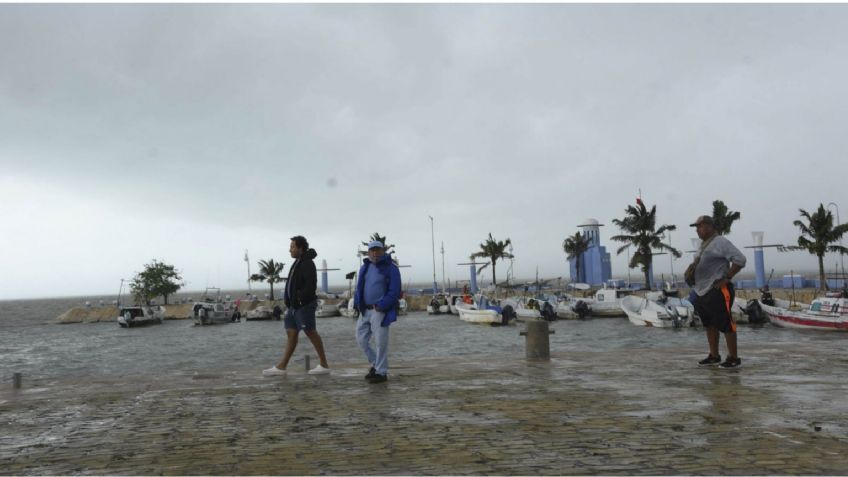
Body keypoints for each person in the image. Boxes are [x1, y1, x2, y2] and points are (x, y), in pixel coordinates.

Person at [263, 235, 331, 376]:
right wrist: (291, 302)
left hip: (303, 306)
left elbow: (310, 285)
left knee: (311, 332)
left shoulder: (307, 263)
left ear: (300, 248)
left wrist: (300, 300)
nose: (290, 250)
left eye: (293, 247)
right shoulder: (298, 262)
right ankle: (282, 366)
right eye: (290, 247)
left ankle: (324, 364)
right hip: (293, 307)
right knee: (291, 333)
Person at [689, 215, 747, 369]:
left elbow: (740, 259)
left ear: (708, 226)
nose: (697, 230)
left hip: (717, 289)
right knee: (709, 324)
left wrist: (727, 278)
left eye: (699, 226)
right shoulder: (703, 245)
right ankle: (714, 356)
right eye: (696, 227)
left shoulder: (720, 242)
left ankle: (733, 357)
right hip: (702, 291)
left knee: (726, 323)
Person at [354, 240, 402, 384]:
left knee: (381, 343)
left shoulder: (391, 268)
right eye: (372, 250)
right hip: (364, 310)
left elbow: (394, 291)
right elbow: (359, 287)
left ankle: (381, 372)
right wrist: (357, 304)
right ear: (368, 252)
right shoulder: (365, 267)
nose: (375, 253)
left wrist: (381, 306)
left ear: (383, 251)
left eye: (378, 250)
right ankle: (377, 365)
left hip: (379, 311)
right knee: (361, 339)